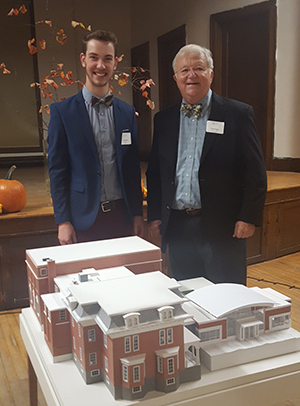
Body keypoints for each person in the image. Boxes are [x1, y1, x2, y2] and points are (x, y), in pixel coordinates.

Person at [146, 44, 267, 284]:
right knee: (188, 296)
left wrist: (248, 217)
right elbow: (156, 172)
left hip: (223, 227)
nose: (191, 75)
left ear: (211, 74)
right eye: (185, 70)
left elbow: (255, 172)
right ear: (175, 78)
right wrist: (155, 215)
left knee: (227, 298)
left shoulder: (238, 114)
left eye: (199, 68)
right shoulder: (163, 120)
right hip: (179, 228)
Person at [48, 29, 144, 245]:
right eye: (94, 58)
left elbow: (131, 167)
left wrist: (137, 213)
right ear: (83, 60)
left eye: (107, 59)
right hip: (83, 220)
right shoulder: (62, 113)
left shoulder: (127, 113)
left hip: (122, 216)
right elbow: (57, 170)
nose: (100, 66)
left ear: (115, 63)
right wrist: (63, 221)